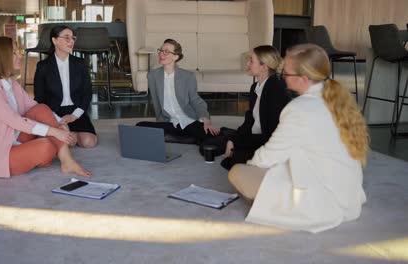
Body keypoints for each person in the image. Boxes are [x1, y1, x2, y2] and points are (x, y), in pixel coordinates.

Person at [228, 43, 369, 233]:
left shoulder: (299, 108)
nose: (282, 77)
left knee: (237, 172)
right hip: (348, 194)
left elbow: (268, 156)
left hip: (323, 201)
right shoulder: (335, 98)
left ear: (303, 78)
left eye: (286, 73)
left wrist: (251, 165)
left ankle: (271, 201)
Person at [0, 36, 91, 178]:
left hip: (14, 138)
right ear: (1, 57)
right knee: (47, 146)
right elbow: (15, 121)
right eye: (14, 53)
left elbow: (34, 107)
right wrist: (55, 132)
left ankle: (67, 161)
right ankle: (43, 155)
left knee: (42, 109)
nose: (19, 56)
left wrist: (60, 123)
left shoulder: (9, 82)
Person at [136, 38, 220, 146]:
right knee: (140, 126)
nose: (162, 54)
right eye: (161, 50)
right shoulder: (153, 76)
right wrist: (160, 122)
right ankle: (185, 138)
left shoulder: (188, 76)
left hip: (190, 120)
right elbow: (156, 103)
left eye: (166, 51)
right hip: (170, 122)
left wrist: (206, 120)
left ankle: (180, 138)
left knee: (210, 139)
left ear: (176, 57)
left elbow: (195, 100)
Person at [220, 45, 290, 170]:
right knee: (215, 144)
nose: (248, 64)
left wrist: (236, 142)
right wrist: (233, 139)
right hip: (257, 136)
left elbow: (272, 134)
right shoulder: (255, 87)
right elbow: (250, 119)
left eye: (251, 61)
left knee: (235, 159)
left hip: (270, 141)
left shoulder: (276, 88)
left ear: (264, 66)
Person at [34, 25, 97, 148]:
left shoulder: (80, 63)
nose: (71, 41)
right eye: (66, 38)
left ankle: (69, 135)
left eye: (73, 38)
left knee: (89, 142)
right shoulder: (43, 66)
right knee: (57, 141)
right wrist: (57, 118)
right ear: (54, 40)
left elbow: (87, 92)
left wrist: (75, 115)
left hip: (76, 110)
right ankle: (68, 135)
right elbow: (40, 98)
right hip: (54, 112)